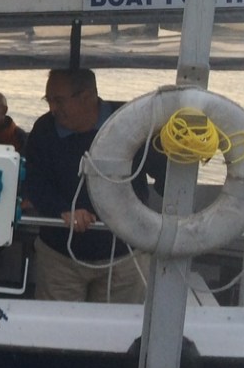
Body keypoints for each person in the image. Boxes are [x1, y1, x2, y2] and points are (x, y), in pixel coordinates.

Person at [23, 67, 164, 303]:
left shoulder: (128, 123)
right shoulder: (45, 130)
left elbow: (163, 172)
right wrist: (63, 210)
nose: (52, 109)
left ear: (88, 97)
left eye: (58, 100)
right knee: (57, 332)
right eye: (48, 100)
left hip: (124, 256)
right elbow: (36, 182)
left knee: (119, 332)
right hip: (60, 256)